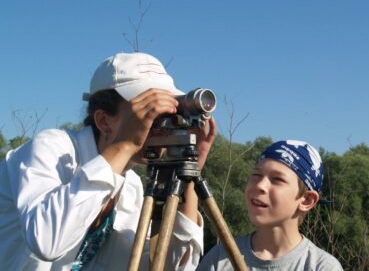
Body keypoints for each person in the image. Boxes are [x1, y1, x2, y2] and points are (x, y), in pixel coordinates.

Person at [0, 52, 216, 270]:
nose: (161, 121)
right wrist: (124, 144)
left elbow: (166, 266)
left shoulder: (130, 185)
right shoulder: (52, 148)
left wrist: (186, 172)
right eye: (147, 111)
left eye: (168, 110)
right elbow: (46, 242)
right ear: (103, 121)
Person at [197, 140, 343, 270]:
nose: (260, 185)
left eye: (277, 179)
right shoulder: (219, 258)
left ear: (307, 200)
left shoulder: (321, 266)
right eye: (256, 175)